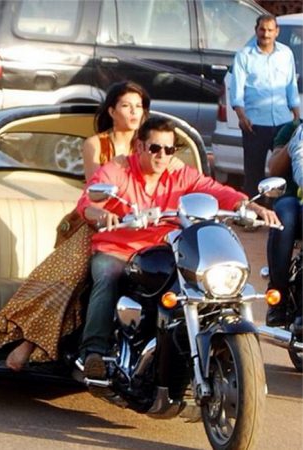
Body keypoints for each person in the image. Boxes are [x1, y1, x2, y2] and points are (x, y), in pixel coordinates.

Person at [76, 117, 281, 382]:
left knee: (200, 283)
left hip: (164, 249)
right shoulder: (118, 170)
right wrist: (102, 214)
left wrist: (249, 206)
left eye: (169, 149)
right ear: (139, 146)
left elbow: (215, 190)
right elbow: (87, 202)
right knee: (107, 275)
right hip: (119, 248)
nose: (162, 155)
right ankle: (93, 352)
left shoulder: (180, 174)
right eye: (155, 148)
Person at [0, 81, 163, 371]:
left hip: (142, 228)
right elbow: (96, 189)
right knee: (68, 275)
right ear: (111, 111)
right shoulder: (96, 145)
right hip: (98, 225)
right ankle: (30, 342)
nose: (133, 112)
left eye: (138, 107)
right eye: (126, 106)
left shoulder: (152, 145)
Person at [230, 14, 300, 199]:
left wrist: (296, 114)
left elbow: (291, 85)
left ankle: (282, 208)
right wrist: (241, 116)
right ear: (256, 30)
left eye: (270, 30)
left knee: (284, 173)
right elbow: (236, 90)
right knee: (254, 175)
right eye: (262, 29)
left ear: (277, 31)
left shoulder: (286, 54)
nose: (266, 34)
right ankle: (256, 211)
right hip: (255, 125)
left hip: (283, 123)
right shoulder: (244, 55)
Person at [266, 120, 302, 326]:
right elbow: (274, 169)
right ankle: (277, 297)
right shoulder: (291, 128)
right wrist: (295, 140)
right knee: (285, 217)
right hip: (293, 199)